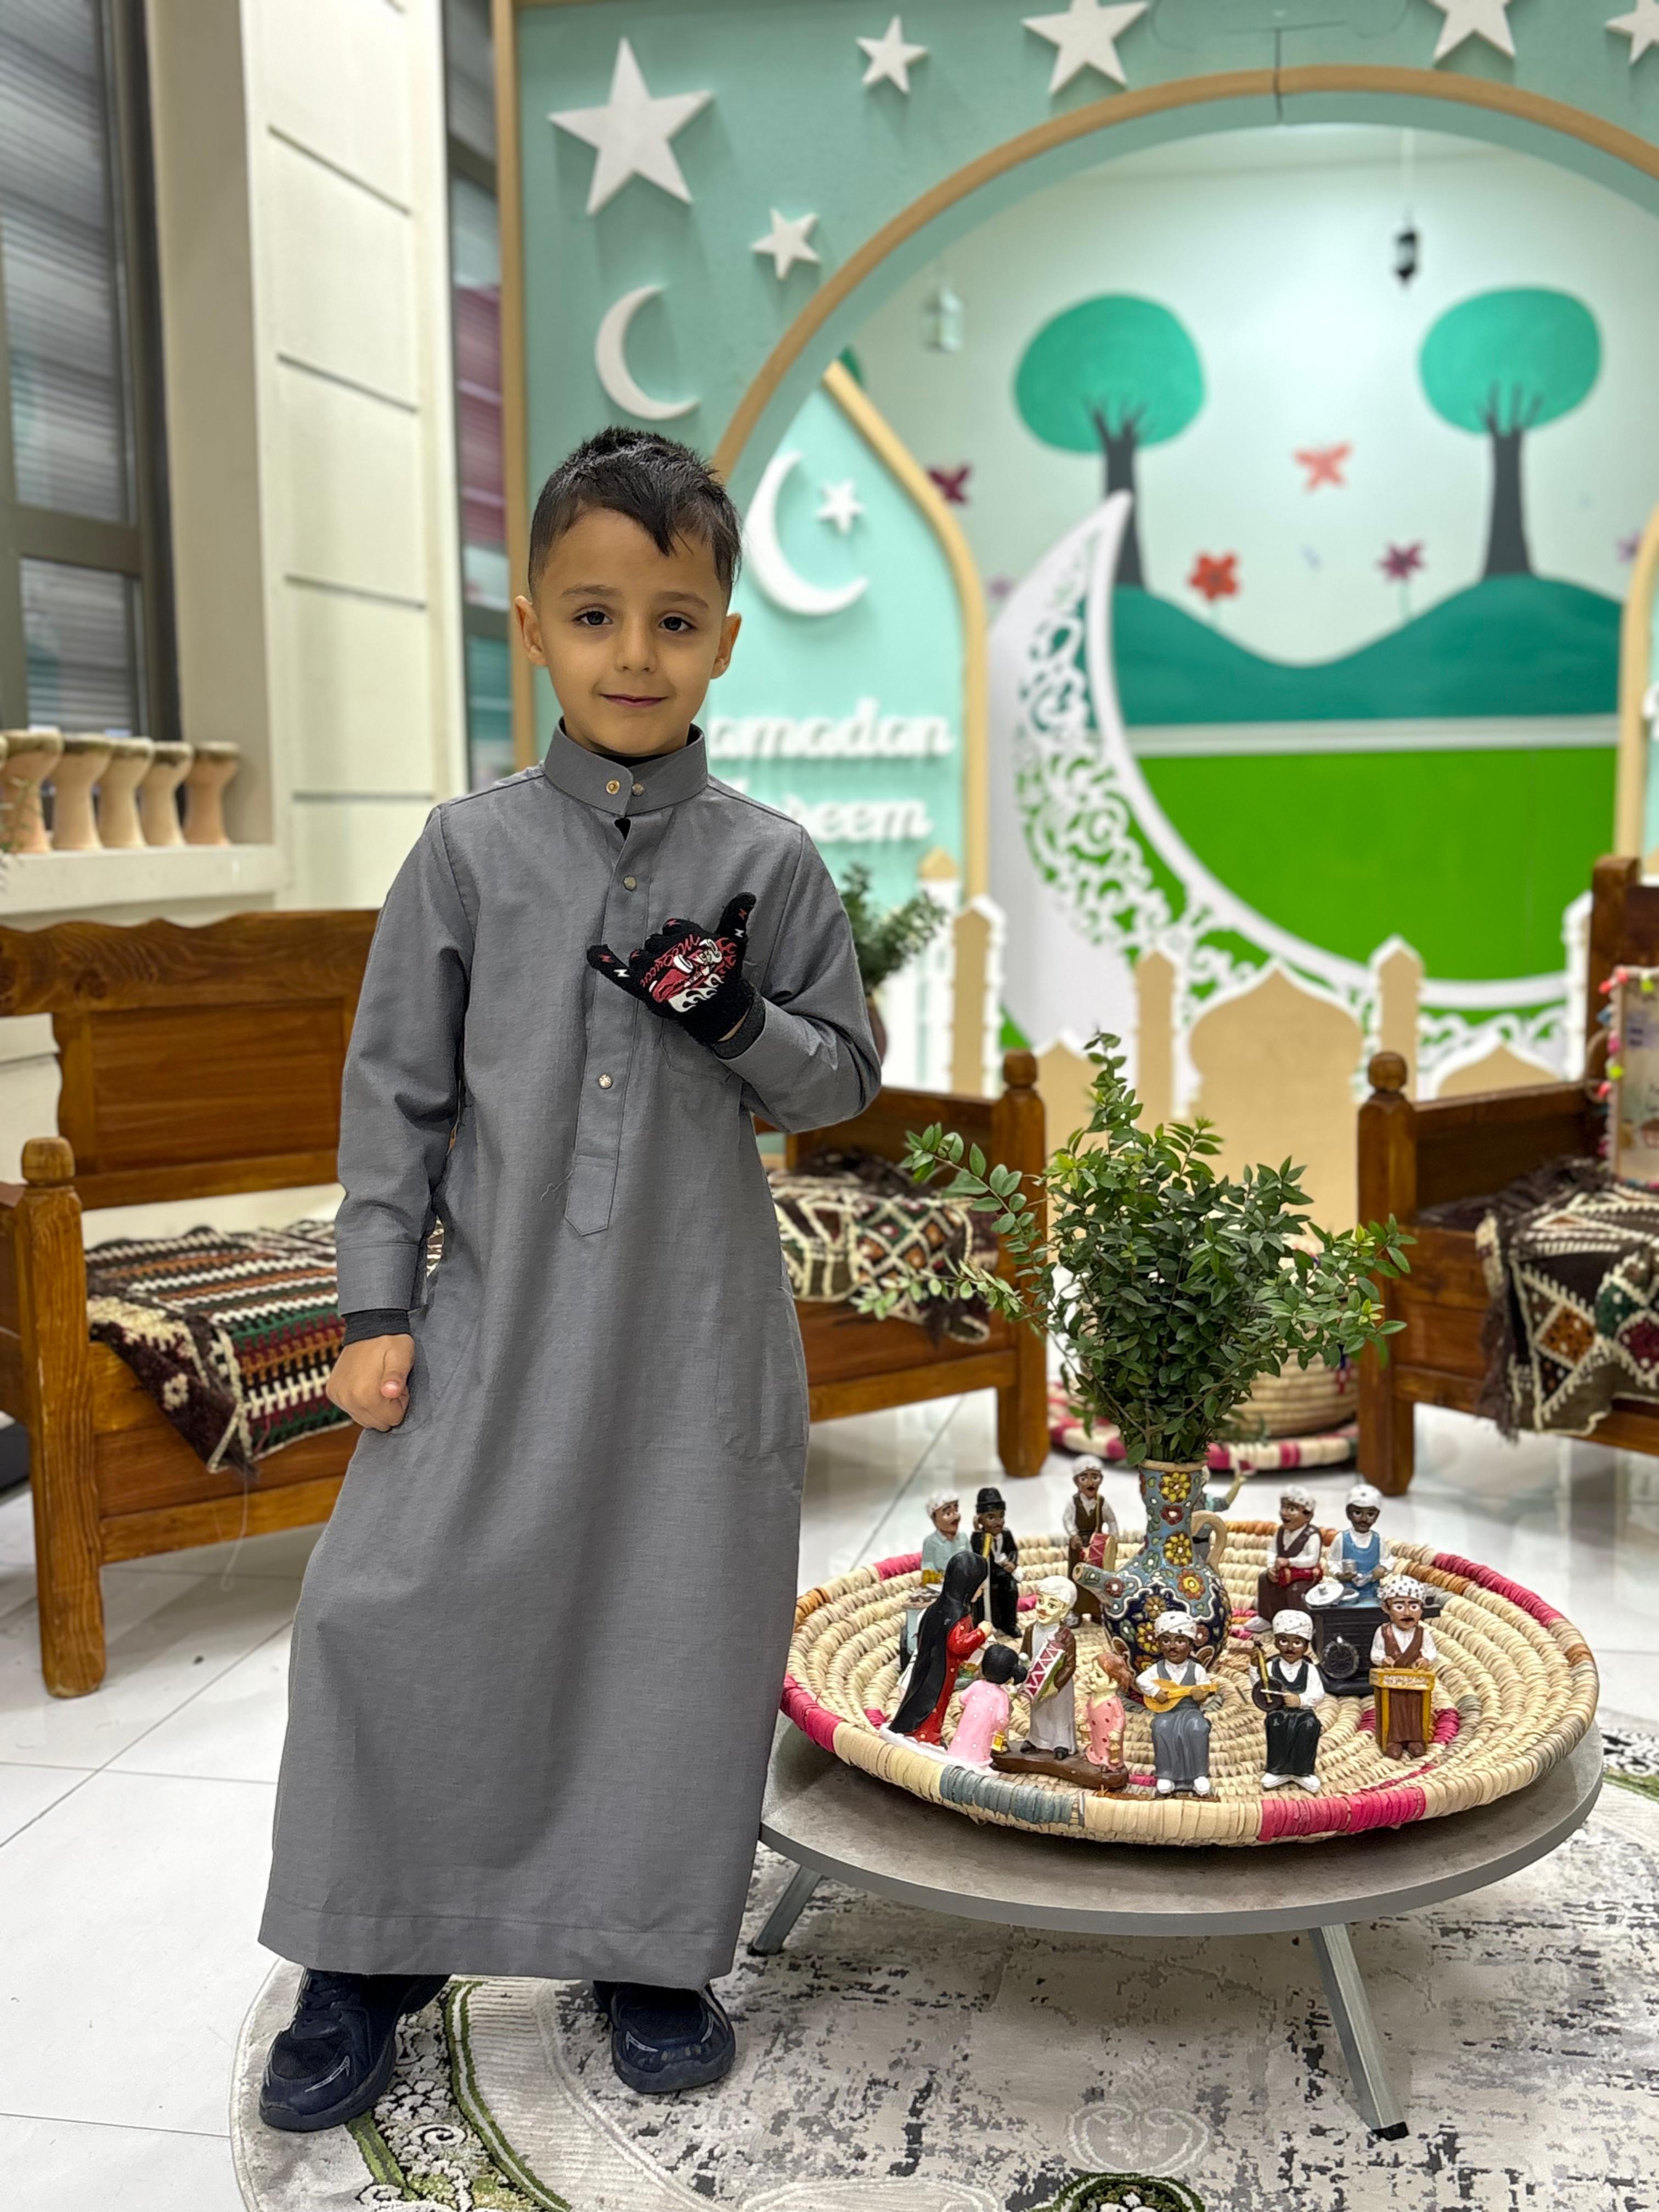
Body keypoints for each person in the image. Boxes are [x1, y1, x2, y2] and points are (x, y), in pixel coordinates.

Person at [256, 429, 879, 2131]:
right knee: (385, 1606)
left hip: (695, 1334)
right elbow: (395, 1097)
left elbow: (840, 1078)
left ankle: (649, 1949)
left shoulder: (771, 862)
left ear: (726, 641)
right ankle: (364, 1951)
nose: (634, 654)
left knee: (676, 1628)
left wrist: (735, 1015)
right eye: (595, 615)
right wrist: (374, 1310)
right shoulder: (467, 854)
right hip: (493, 1316)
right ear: (532, 626)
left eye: (674, 622)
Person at [889, 1550, 992, 1743]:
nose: (982, 1592)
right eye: (980, 1587)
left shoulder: (935, 1608)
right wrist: (981, 1633)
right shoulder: (959, 1616)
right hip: (942, 1673)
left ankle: (916, 1729)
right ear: (969, 1587)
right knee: (937, 1702)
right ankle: (928, 1734)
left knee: (919, 1696)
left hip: (926, 1667)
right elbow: (958, 1646)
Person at [1136, 1610, 1221, 1798]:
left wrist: (1200, 1696)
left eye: (1180, 1641)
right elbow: (1141, 1680)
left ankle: (1199, 1775)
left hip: (1190, 1711)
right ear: (1159, 1644)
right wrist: (1155, 1692)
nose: (1173, 1647)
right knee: (1161, 1727)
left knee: (1198, 1728)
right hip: (1167, 1712)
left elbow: (1205, 1691)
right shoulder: (1157, 1669)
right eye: (1166, 1641)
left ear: (1191, 1644)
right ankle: (1166, 1775)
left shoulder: (1197, 1669)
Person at [1256, 1610, 1326, 1792]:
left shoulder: (1310, 1669)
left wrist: (1300, 1700)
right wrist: (1254, 1666)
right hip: (1279, 1711)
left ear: (1306, 1646)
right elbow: (1259, 1686)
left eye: (1297, 1642)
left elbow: (1319, 1694)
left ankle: (1303, 1771)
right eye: (1284, 1641)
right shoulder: (1271, 1666)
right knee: (1275, 1722)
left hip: (1304, 1712)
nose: (1290, 1648)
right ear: (1276, 1642)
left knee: (1310, 1725)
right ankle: (1277, 1769)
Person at [1370, 1573, 1438, 1760]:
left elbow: (1432, 1652)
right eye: (1400, 1606)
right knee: (1393, 1710)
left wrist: (1426, 1660)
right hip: (1391, 1684)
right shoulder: (1383, 1632)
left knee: (1415, 1710)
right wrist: (1383, 1660)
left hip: (1415, 1682)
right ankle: (1393, 1740)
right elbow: (1375, 1653)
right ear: (1387, 1608)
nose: (1407, 1612)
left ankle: (1416, 1739)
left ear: (1421, 1610)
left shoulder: (1423, 1634)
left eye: (1414, 1606)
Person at [1249, 1485, 1324, 1632]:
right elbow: (1272, 1550)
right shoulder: (1281, 1531)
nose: (1284, 1513)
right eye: (1283, 1507)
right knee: (1264, 1579)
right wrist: (1271, 1567)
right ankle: (1266, 1618)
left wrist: (1290, 1562)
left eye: (1292, 1509)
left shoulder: (1312, 1534)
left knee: (1295, 1590)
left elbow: (1312, 1559)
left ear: (1308, 1516)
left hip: (1303, 1576)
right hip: (1282, 1572)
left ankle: (1298, 1623)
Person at [1019, 1576, 1079, 1757]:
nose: (1043, 1608)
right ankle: (1037, 1739)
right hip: (1036, 1681)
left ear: (1064, 1611)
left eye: (1052, 1605)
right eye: (1041, 1601)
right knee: (1038, 1711)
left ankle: (1061, 1743)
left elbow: (1070, 1665)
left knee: (1059, 1713)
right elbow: (1025, 1653)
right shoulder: (1031, 1630)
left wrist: (1056, 1684)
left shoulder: (1065, 1636)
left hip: (1058, 1685)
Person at [946, 1641, 1028, 1767]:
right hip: (985, 1730)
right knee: (980, 1743)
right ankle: (977, 1760)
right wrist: (1002, 1724)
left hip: (967, 1723)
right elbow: (1001, 1719)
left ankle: (957, 1754)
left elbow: (962, 1698)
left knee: (964, 1738)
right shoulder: (1002, 1696)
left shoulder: (976, 1685)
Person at [1062, 1458, 1116, 1622]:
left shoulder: (1102, 1503)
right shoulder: (1073, 1502)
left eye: (1095, 1477)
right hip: (1078, 1546)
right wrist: (1073, 1535)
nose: (1090, 1483)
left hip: (1097, 1546)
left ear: (1101, 1480)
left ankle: (1096, 1609)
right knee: (1077, 1577)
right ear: (1076, 1481)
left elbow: (1111, 1521)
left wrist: (1113, 1539)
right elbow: (1067, 1520)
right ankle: (1076, 1610)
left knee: (1097, 1578)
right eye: (1084, 1478)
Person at [968, 1485, 1020, 1633]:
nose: (998, 1522)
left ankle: (1010, 1623)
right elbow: (979, 1557)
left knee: (1011, 1588)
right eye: (991, 1518)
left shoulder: (1006, 1534)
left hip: (1004, 1574)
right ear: (980, 1519)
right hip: (988, 1576)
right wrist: (978, 1532)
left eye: (1001, 1516)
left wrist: (1012, 1563)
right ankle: (986, 1623)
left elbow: (1013, 1550)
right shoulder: (978, 1537)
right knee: (984, 1596)